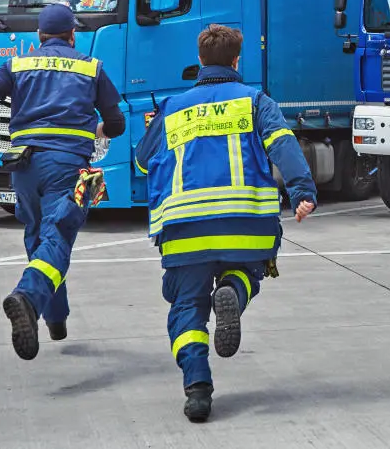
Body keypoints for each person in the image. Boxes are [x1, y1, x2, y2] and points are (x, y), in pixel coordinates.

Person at [135, 24, 317, 423]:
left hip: (185, 231)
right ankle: (235, 287)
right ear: (237, 60)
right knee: (252, 267)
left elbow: (142, 161)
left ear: (199, 60)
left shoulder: (172, 107)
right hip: (245, 225)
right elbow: (282, 145)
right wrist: (303, 192)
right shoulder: (255, 101)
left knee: (187, 308)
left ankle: (198, 391)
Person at [0, 3, 125, 360]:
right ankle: (27, 297)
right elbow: (116, 125)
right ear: (73, 35)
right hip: (68, 165)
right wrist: (94, 129)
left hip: (23, 165)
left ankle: (55, 318)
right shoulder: (91, 67)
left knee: (40, 237)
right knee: (58, 235)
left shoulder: (19, 63)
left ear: (39, 37)